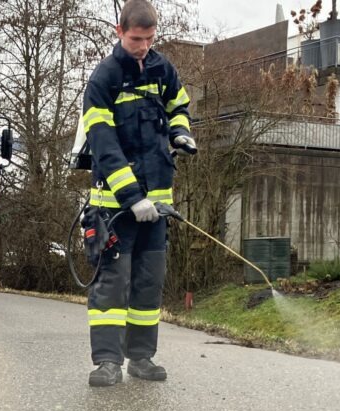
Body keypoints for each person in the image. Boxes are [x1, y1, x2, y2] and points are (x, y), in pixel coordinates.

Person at [80, 0, 197, 387]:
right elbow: (104, 143)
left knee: (149, 282)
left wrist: (180, 132)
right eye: (136, 39)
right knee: (113, 284)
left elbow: (179, 106)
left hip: (158, 205)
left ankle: (141, 358)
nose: (143, 46)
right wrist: (133, 197)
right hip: (115, 207)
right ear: (119, 32)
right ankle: (108, 362)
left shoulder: (164, 69)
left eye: (149, 39)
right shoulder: (104, 78)